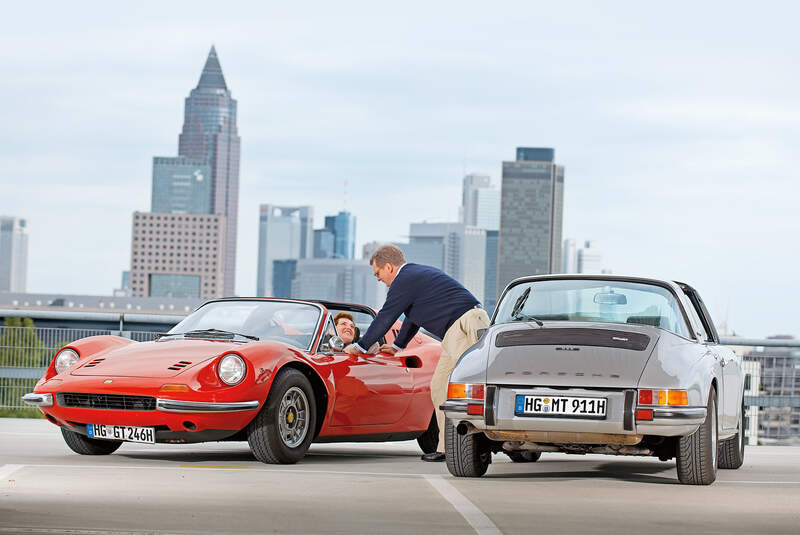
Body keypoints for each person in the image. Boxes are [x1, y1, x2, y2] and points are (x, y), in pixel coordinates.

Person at [344, 244, 490, 462]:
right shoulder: (413, 279)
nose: (378, 279)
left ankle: (479, 450)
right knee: (439, 387)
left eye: (378, 273)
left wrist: (360, 346)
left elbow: (386, 316)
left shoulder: (405, 279)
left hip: (466, 325)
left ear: (389, 267)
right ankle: (447, 448)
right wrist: (397, 346)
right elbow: (412, 317)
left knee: (471, 390)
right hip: (453, 334)